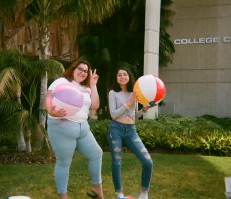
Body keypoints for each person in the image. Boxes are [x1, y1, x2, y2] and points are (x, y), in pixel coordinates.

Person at [45, 59, 104, 199]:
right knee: (64, 162)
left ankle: (97, 190)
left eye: (85, 71)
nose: (82, 72)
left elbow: (95, 106)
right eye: (80, 69)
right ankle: (63, 196)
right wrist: (52, 112)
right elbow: (48, 100)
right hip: (62, 127)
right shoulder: (61, 82)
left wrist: (93, 85)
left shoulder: (86, 88)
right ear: (73, 68)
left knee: (96, 154)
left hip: (83, 128)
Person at [107, 66, 154, 199]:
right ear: (116, 79)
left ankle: (144, 193)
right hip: (116, 130)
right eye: (119, 75)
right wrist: (129, 103)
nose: (122, 77)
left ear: (129, 77)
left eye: (125, 74)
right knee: (117, 162)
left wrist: (144, 109)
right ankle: (119, 194)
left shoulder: (135, 93)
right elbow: (113, 115)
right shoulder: (112, 93)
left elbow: (134, 116)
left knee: (148, 162)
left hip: (131, 131)